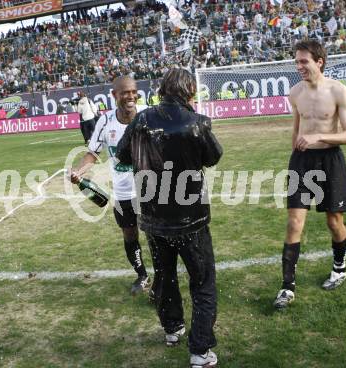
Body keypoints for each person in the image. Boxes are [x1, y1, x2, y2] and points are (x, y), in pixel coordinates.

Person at [116, 68, 222, 367]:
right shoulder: (197, 122)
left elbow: (123, 155)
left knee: (166, 276)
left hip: (154, 217)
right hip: (190, 218)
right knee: (202, 283)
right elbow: (213, 157)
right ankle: (199, 350)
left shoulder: (141, 119)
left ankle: (173, 328)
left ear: (163, 89)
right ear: (189, 91)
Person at [274, 40, 346, 309]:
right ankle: (287, 287)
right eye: (296, 61)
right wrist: (297, 151)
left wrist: (318, 136)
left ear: (319, 61)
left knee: (334, 222)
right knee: (294, 222)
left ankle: (339, 266)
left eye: (303, 61)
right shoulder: (295, 93)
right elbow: (296, 131)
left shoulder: (338, 91)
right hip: (301, 162)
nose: (299, 66)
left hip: (330, 160)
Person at [69, 76, 151, 295]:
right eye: (125, 92)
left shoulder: (148, 115)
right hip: (124, 193)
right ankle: (142, 275)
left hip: (150, 190)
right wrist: (79, 171)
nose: (131, 96)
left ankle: (162, 278)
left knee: (157, 235)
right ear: (115, 95)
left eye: (133, 91)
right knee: (130, 235)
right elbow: (92, 153)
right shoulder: (105, 122)